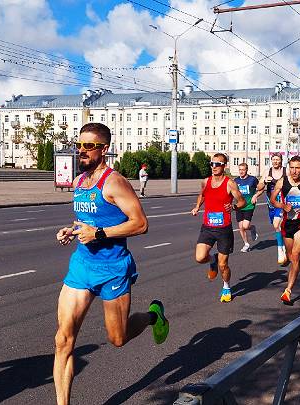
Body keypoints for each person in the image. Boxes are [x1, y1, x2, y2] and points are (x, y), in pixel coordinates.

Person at [53, 123, 169, 405]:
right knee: (63, 341)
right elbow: (88, 221)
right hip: (82, 266)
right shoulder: (80, 182)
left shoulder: (114, 182)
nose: (81, 151)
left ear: (104, 150)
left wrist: (99, 234)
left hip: (113, 269)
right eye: (79, 145)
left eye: (88, 146)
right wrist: (72, 230)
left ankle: (154, 316)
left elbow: (141, 224)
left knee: (117, 338)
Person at [191, 153, 246, 303]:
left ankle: (226, 286)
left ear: (224, 166)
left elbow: (242, 202)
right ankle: (212, 260)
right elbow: (202, 195)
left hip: (223, 230)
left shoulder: (230, 184)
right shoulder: (206, 181)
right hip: (207, 227)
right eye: (212, 164)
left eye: (217, 164)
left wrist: (233, 206)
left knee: (224, 265)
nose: (214, 167)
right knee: (200, 257)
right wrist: (197, 207)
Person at [270, 156, 300, 305]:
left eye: (297, 167)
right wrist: (282, 206)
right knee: (291, 255)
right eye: (291, 167)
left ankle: (288, 291)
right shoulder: (282, 182)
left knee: (295, 256)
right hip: (287, 224)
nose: (294, 171)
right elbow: (273, 200)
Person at [257, 154, 288, 265]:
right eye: (273, 160)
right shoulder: (267, 172)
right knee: (278, 227)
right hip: (271, 203)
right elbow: (259, 187)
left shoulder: (286, 171)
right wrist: (265, 181)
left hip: (283, 202)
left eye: (277, 160)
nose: (275, 161)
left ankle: (280, 250)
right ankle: (285, 245)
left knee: (276, 225)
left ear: (281, 161)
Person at [234, 162, 261, 252]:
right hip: (239, 206)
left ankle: (252, 228)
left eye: (243, 170)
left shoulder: (252, 179)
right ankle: (246, 244)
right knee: (240, 227)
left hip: (249, 205)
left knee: (245, 226)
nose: (241, 171)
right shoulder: (236, 181)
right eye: (240, 170)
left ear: (247, 170)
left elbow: (261, 189)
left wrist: (255, 196)